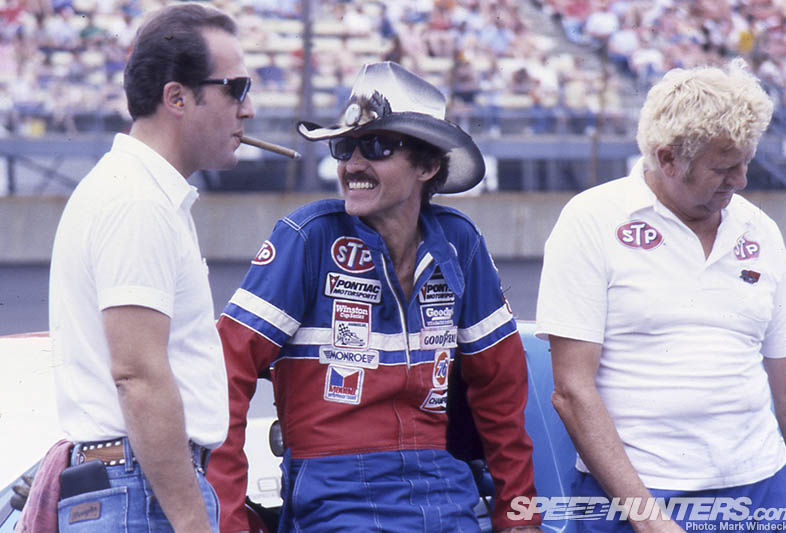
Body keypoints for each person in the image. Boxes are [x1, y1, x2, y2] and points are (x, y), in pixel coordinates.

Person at [207, 61, 542, 532]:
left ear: (428, 166)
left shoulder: (460, 242)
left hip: (446, 489)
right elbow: (224, 373)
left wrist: (519, 514)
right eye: (345, 147)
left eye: (378, 147)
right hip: (333, 495)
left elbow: (501, 390)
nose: (353, 165)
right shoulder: (308, 238)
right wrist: (225, 519)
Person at [535, 58, 786, 531]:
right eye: (724, 168)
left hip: (763, 487)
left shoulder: (760, 228)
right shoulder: (591, 220)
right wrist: (649, 519)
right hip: (640, 494)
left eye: (746, 162)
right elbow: (572, 391)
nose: (741, 181)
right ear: (668, 159)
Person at [47, 3, 255, 532]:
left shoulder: (133, 190)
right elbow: (137, 375)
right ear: (177, 98)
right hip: (139, 491)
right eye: (236, 88)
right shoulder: (137, 201)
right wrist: (191, 522)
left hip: (133, 484)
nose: (248, 109)